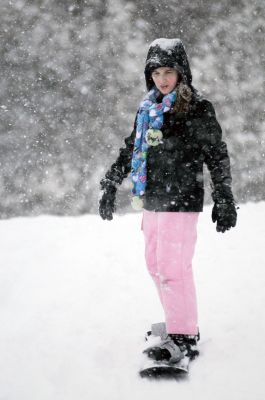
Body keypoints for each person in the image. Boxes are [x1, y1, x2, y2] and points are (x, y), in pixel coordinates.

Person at [99, 38, 237, 365]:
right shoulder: (147, 109)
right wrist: (110, 182)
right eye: (157, 72)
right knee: (155, 265)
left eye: (169, 72)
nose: (163, 78)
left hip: (182, 199)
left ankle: (184, 336)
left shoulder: (197, 108)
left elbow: (216, 155)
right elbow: (132, 148)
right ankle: (178, 323)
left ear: (181, 73)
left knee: (173, 269)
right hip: (153, 200)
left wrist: (224, 196)